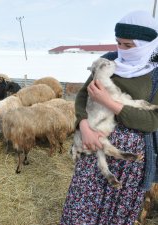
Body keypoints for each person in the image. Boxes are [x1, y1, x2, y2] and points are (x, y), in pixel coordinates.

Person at [60, 10, 158, 225]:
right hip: (93, 148)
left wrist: (109, 102)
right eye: (118, 43)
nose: (121, 49)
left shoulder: (155, 74)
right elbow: (84, 95)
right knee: (80, 211)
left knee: (115, 215)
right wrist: (84, 126)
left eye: (128, 45)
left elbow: (152, 121)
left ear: (145, 44)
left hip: (129, 163)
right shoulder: (109, 61)